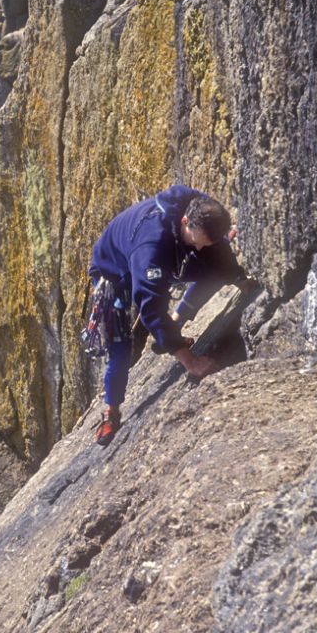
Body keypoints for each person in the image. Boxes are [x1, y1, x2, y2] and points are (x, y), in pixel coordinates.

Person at [84, 184, 244, 446]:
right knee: (121, 346)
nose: (202, 248)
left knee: (217, 266)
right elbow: (150, 308)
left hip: (163, 249)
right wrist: (190, 361)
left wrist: (237, 276)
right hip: (113, 271)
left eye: (207, 242)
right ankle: (111, 411)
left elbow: (215, 250)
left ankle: (177, 322)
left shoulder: (199, 207)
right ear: (185, 222)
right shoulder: (152, 249)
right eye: (198, 241)